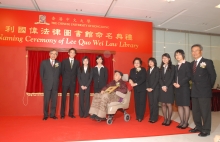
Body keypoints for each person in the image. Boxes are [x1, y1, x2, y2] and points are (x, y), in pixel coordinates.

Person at [189, 44, 216, 137]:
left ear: (201, 51)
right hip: (195, 91)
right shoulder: (192, 64)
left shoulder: (207, 62)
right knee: (195, 111)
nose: (194, 52)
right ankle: (198, 126)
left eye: (196, 50)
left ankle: (206, 130)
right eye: (193, 51)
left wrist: (208, 87)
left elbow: (213, 76)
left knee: (205, 112)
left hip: (204, 91)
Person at [40, 49, 61, 120]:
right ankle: (45, 115)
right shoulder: (44, 63)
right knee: (46, 101)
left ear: (57, 55)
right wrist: (45, 83)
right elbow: (41, 74)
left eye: (55, 54)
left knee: (54, 101)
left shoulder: (58, 63)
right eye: (52, 53)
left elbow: (60, 74)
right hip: (47, 85)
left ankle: (52, 115)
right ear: (49, 54)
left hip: (55, 85)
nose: (53, 55)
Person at [173, 49, 191, 129]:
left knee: (185, 105)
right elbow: (174, 77)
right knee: (179, 105)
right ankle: (181, 121)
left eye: (179, 54)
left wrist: (180, 83)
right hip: (177, 88)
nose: (177, 56)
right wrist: (174, 83)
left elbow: (188, 76)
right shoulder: (176, 66)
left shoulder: (187, 64)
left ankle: (186, 122)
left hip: (184, 88)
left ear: (183, 55)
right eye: (176, 55)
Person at [60, 48, 79, 119]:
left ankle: (71, 113)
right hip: (65, 82)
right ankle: (62, 114)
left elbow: (77, 73)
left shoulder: (77, 62)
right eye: (71, 52)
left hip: (73, 83)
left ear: (75, 54)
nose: (72, 54)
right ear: (68, 53)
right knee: (63, 98)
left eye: (73, 53)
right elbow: (62, 72)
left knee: (72, 99)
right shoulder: (64, 61)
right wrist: (66, 78)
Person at [159, 53, 175, 126]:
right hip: (162, 88)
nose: (164, 59)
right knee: (163, 104)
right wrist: (163, 86)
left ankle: (169, 119)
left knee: (169, 104)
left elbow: (172, 78)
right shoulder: (161, 68)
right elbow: (159, 78)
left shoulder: (173, 67)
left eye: (166, 58)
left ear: (169, 59)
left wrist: (166, 86)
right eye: (163, 58)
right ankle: (165, 119)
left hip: (169, 88)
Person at [129, 57, 147, 122]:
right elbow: (130, 77)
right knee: (137, 102)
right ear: (133, 64)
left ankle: (140, 117)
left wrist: (135, 84)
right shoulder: (132, 70)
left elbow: (143, 79)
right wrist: (130, 81)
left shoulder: (143, 69)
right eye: (135, 63)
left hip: (142, 88)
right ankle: (137, 115)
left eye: (138, 63)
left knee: (142, 102)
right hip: (136, 89)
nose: (136, 64)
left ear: (140, 64)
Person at [146, 57, 160, 123]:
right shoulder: (148, 70)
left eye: (151, 61)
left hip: (155, 89)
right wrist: (147, 87)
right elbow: (147, 80)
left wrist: (152, 88)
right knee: (151, 103)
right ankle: (151, 117)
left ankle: (155, 118)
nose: (150, 63)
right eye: (149, 62)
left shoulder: (157, 69)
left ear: (154, 62)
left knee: (155, 103)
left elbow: (157, 79)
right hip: (149, 89)